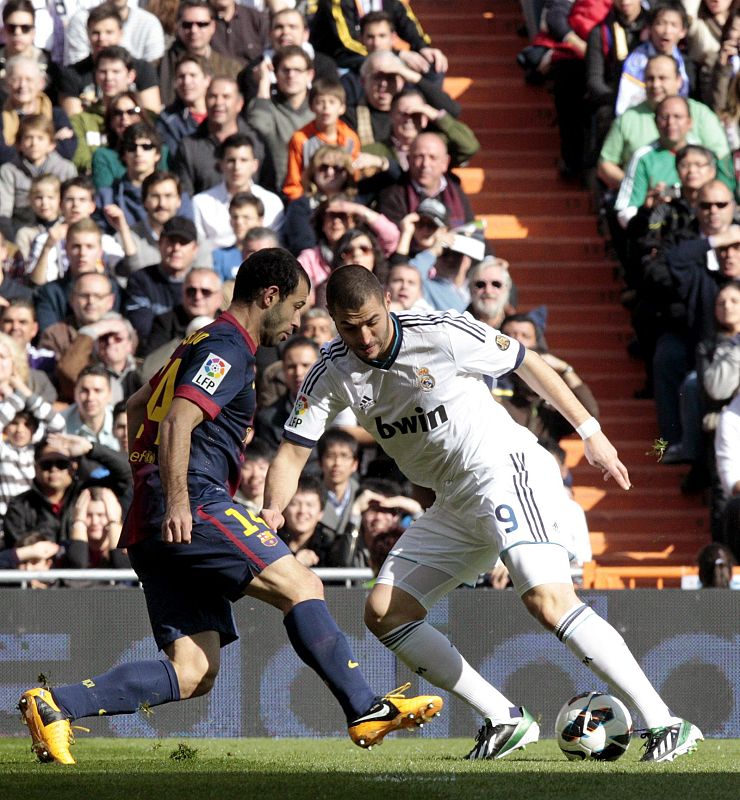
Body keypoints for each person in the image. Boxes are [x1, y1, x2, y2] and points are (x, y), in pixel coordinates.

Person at [261, 264, 703, 763]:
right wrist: (273, 511)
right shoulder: (332, 368)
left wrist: (589, 431)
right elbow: (294, 450)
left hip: (503, 467)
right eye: (349, 327)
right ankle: (504, 718)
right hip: (451, 499)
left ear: (388, 301)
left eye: (371, 322)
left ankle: (667, 722)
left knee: (547, 598)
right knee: (385, 612)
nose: (364, 337)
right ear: (333, 322)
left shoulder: (443, 332)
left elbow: (527, 361)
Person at [17, 248, 442, 765]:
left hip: (154, 519)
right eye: (298, 306)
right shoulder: (228, 346)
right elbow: (176, 421)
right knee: (301, 585)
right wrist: (176, 497)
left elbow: (133, 406)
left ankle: (56, 703)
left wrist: (151, 484)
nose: (299, 321)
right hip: (192, 503)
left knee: (193, 671)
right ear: (270, 296)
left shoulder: (195, 342)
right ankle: (364, 707)